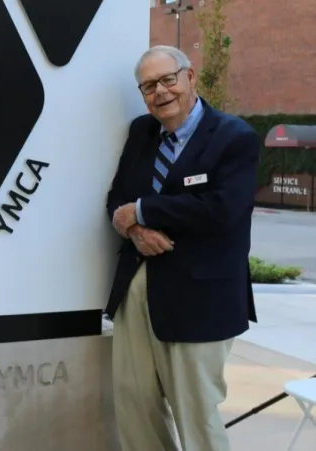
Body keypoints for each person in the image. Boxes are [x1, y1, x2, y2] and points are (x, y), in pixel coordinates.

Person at [104, 45, 259, 451]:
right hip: (137, 284)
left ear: (190, 77)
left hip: (201, 296)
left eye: (168, 79)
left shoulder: (234, 137)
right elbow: (116, 201)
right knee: (133, 401)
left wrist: (141, 210)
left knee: (196, 410)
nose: (160, 92)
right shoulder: (141, 132)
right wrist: (135, 228)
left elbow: (222, 209)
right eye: (148, 86)